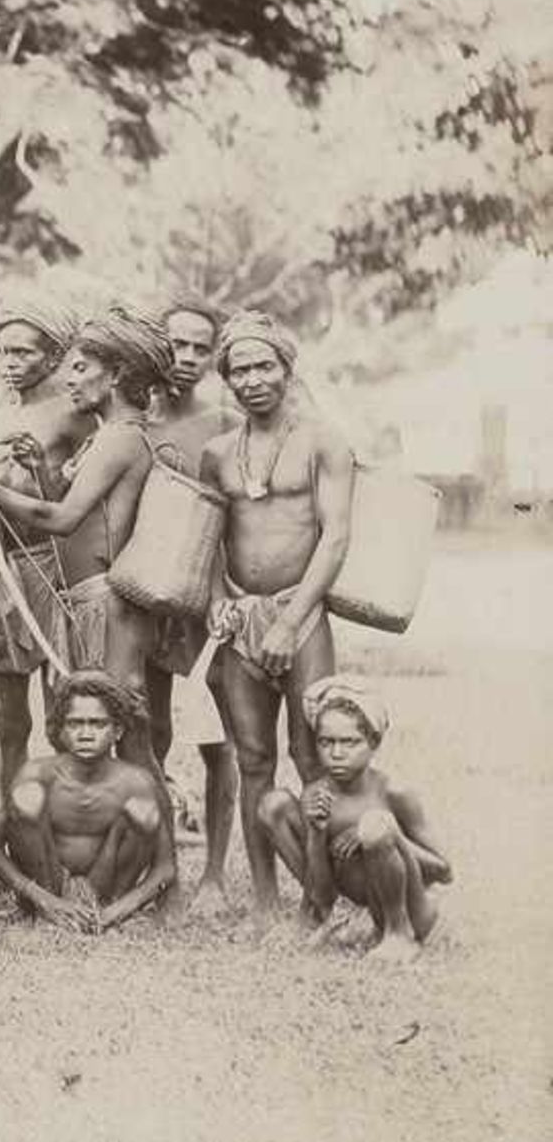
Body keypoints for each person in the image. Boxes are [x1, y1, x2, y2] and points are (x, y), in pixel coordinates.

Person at [0, 305, 174, 768]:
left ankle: (156, 838)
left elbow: (62, 519)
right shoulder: (109, 435)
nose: (69, 380)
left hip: (106, 599)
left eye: (80, 368)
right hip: (87, 599)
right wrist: (38, 469)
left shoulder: (120, 437)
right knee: (106, 722)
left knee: (127, 725)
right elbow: (80, 503)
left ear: (114, 374)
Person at [199, 310, 355, 918]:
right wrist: (215, 598)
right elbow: (206, 539)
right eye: (239, 370)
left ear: (287, 368)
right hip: (240, 615)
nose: (252, 379)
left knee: (313, 752)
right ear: (227, 379)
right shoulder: (217, 453)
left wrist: (292, 623)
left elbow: (335, 538)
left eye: (264, 365)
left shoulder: (323, 441)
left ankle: (321, 897)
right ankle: (265, 901)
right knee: (253, 757)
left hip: (302, 611)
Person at [0, 290, 91, 791]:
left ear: (54, 354)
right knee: (10, 718)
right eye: (3, 352)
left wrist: (39, 470)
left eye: (23, 352)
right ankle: (18, 831)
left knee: (64, 710)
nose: (10, 363)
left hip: (54, 567)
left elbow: (77, 500)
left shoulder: (72, 411)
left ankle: (70, 822)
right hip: (2, 567)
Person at [150, 297, 241, 912]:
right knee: (148, 731)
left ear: (215, 356)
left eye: (198, 348)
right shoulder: (131, 417)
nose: (184, 359)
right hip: (148, 596)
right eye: (174, 345)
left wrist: (219, 594)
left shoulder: (229, 422)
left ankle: (212, 873)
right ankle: (159, 869)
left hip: (213, 599)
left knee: (220, 738)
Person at [254, 678, 449, 963]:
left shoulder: (394, 792)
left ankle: (399, 935)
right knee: (274, 805)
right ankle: (326, 919)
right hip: (362, 898)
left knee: (376, 824)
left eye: (349, 742)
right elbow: (321, 891)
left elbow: (444, 870)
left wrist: (388, 832)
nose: (336, 754)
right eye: (326, 742)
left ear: (373, 743)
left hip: (412, 907)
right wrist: (317, 833)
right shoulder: (318, 794)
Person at [0, 671, 177, 933]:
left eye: (97, 724)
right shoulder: (38, 774)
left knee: (141, 811)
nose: (86, 734)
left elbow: (165, 868)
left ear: (117, 730)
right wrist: (43, 898)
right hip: (48, 883)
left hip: (108, 890)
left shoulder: (136, 782)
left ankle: (100, 911)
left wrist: (115, 913)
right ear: (61, 730)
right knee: (28, 798)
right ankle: (49, 915)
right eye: (75, 724)